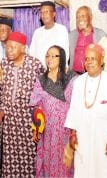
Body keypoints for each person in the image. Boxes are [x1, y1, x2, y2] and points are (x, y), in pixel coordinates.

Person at [64, 43, 107, 178]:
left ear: (101, 60)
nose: (89, 62)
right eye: (87, 59)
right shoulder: (79, 81)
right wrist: (73, 133)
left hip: (104, 135)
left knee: (104, 170)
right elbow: (74, 108)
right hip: (83, 134)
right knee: (83, 169)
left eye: (93, 59)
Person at [0, 32, 45, 177]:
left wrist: (38, 117)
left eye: (13, 47)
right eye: (8, 47)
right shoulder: (3, 64)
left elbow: (43, 91)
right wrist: (1, 109)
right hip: (10, 118)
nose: (9, 50)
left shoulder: (35, 64)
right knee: (10, 153)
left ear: (23, 48)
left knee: (29, 153)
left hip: (28, 117)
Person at [30, 45, 76, 177]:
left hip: (66, 129)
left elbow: (76, 104)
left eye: (53, 55)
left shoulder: (71, 78)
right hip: (48, 131)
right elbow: (36, 106)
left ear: (61, 58)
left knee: (66, 162)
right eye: (47, 55)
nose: (49, 58)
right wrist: (36, 128)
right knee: (48, 162)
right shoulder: (41, 80)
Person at [29, 1, 69, 67]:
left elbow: (64, 55)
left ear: (54, 14)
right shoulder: (37, 32)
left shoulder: (61, 30)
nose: (43, 15)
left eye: (46, 12)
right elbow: (32, 54)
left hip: (56, 72)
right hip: (40, 72)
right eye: (41, 12)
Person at [69, 6, 106, 74]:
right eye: (77, 17)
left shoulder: (101, 34)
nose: (80, 19)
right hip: (75, 75)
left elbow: (106, 57)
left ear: (90, 17)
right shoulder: (71, 35)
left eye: (83, 16)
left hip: (94, 75)